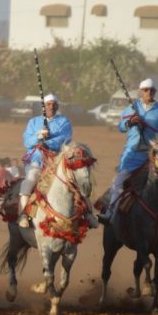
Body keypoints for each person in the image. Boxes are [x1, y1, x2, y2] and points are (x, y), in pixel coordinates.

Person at [99, 78, 158, 232]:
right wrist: (130, 122)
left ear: (155, 92)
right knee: (118, 181)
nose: (149, 92)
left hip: (156, 156)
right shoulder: (132, 108)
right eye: (145, 90)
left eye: (151, 90)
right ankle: (111, 212)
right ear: (140, 92)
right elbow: (121, 126)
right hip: (133, 155)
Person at [17, 93, 98, 228]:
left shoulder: (64, 122)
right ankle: (23, 214)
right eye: (48, 104)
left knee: (77, 180)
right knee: (29, 180)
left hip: (57, 162)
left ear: (58, 106)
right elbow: (27, 141)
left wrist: (47, 142)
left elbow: (64, 139)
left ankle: (89, 214)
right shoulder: (33, 122)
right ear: (43, 106)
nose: (51, 107)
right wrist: (39, 136)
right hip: (36, 161)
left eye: (54, 104)